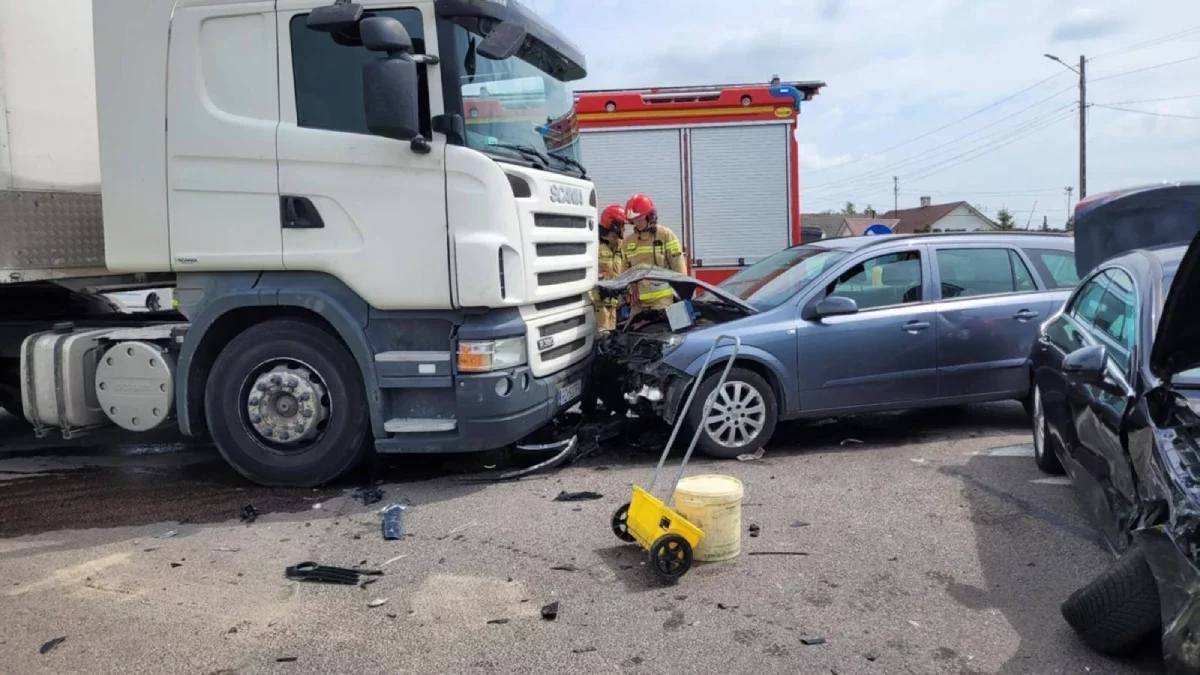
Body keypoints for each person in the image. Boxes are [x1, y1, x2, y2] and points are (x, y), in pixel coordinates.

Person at [622, 193, 687, 312]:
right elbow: (624, 271)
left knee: (659, 324)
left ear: (650, 216)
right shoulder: (628, 242)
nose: (637, 224)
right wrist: (629, 289)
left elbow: (678, 266)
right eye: (634, 221)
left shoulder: (665, 235)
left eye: (640, 219)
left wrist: (682, 295)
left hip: (663, 299)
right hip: (638, 303)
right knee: (634, 324)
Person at [591, 204, 627, 331]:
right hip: (597, 307)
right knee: (602, 338)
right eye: (622, 225)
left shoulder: (619, 247)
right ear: (614, 225)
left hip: (614, 306)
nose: (624, 229)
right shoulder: (594, 245)